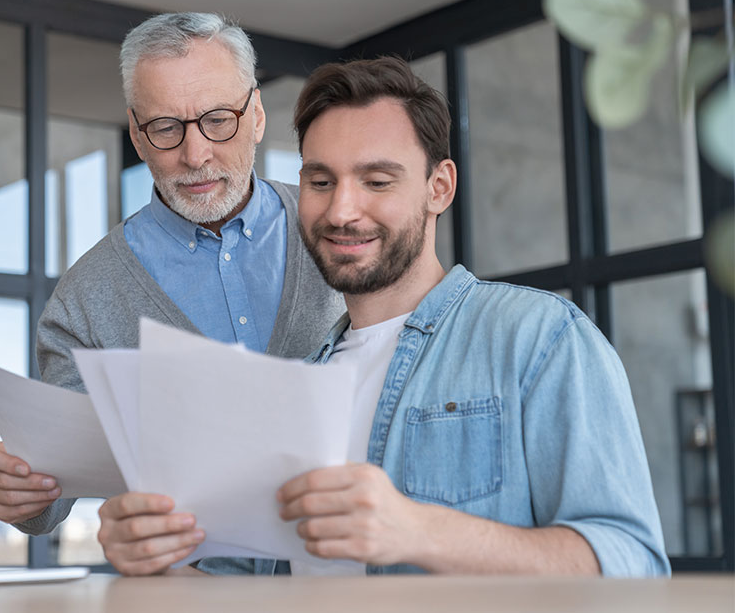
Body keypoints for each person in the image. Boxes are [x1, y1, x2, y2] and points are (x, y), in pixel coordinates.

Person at [95, 56, 668, 576]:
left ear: (438, 187)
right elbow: (245, 586)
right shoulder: (299, 381)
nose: (342, 210)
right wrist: (156, 559)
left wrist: (419, 531)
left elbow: (634, 566)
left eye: (376, 181)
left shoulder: (538, 339)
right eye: (321, 182)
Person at [0, 13, 342, 542]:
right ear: (137, 135)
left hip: (348, 576)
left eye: (219, 120)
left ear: (257, 114)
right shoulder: (86, 298)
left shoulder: (339, 229)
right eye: (166, 128)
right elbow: (50, 491)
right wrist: (18, 490)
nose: (196, 156)